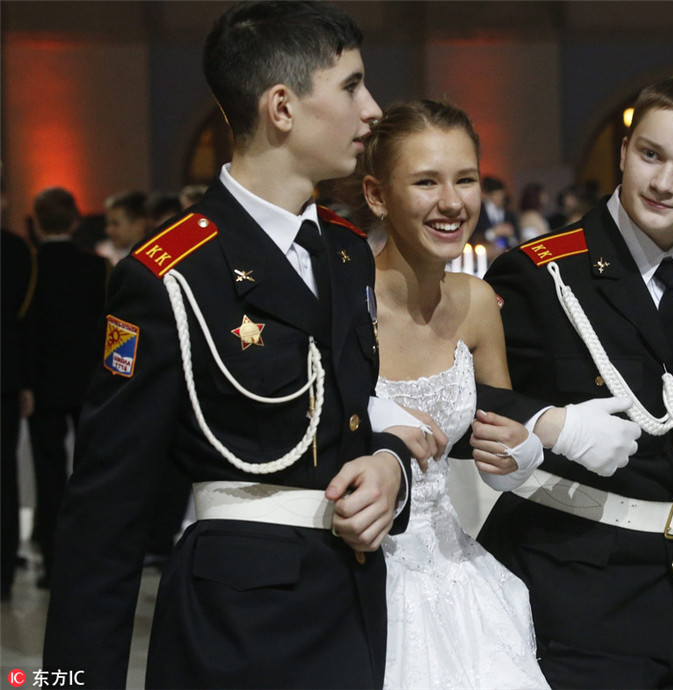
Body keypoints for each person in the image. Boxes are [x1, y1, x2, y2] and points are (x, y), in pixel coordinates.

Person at [42, 3, 414, 688]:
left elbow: (355, 417)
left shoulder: (346, 249)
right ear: (282, 107)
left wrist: (391, 466)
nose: (373, 110)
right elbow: (104, 519)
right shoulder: (171, 275)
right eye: (352, 85)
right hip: (238, 632)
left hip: (355, 607)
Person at [478, 75, 673, 689]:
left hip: (672, 600)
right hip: (566, 592)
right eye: (651, 155)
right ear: (624, 150)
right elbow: (460, 401)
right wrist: (551, 425)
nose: (664, 182)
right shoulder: (543, 274)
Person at [354, 99, 642, 689]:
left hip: (460, 569)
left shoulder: (478, 302)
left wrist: (522, 451)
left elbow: (491, 440)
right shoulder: (346, 302)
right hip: (361, 570)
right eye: (426, 181)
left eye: (466, 179)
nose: (452, 202)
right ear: (377, 195)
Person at [22, 188, 109, 589]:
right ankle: (89, 556)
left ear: (37, 223)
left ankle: (52, 559)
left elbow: (26, 330)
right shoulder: (96, 267)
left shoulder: (32, 267)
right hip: (89, 382)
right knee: (91, 470)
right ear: (76, 221)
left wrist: (25, 381)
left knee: (48, 471)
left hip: (42, 383)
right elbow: (108, 329)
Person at [1, 223, 36, 601]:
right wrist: (26, 380)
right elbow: (25, 319)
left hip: (7, 379)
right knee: (4, 477)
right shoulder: (17, 250)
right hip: (6, 375)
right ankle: (3, 569)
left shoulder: (17, 249)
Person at [96, 190, 149, 264]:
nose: (108, 230)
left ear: (139, 224)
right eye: (108, 224)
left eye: (115, 223)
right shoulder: (104, 253)